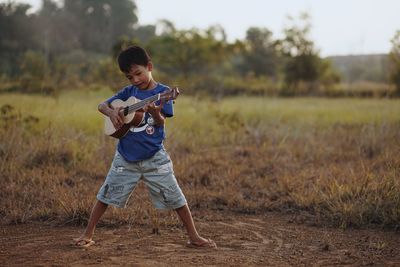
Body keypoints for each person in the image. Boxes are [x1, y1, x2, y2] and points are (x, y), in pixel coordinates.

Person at [73, 45, 216, 249]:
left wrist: (155, 113)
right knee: (105, 194)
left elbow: (160, 123)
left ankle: (194, 236)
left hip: (154, 156)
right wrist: (112, 113)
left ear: (149, 66)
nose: (135, 80)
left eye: (138, 73)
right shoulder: (128, 92)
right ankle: (87, 234)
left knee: (176, 197)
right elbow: (101, 105)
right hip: (125, 156)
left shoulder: (163, 93)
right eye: (130, 77)